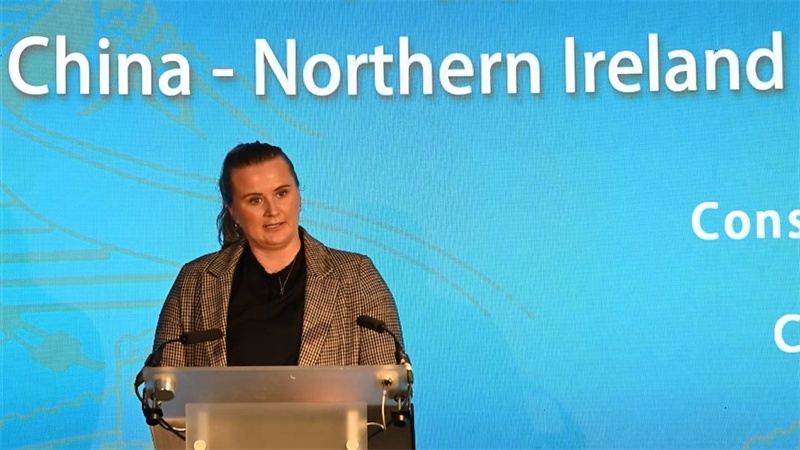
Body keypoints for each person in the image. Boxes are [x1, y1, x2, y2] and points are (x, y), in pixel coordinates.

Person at [153, 141, 403, 367]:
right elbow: (164, 391)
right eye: (255, 200)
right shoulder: (194, 280)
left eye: (281, 193)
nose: (273, 210)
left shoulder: (357, 277)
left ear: (299, 196)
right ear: (234, 212)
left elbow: (388, 389)